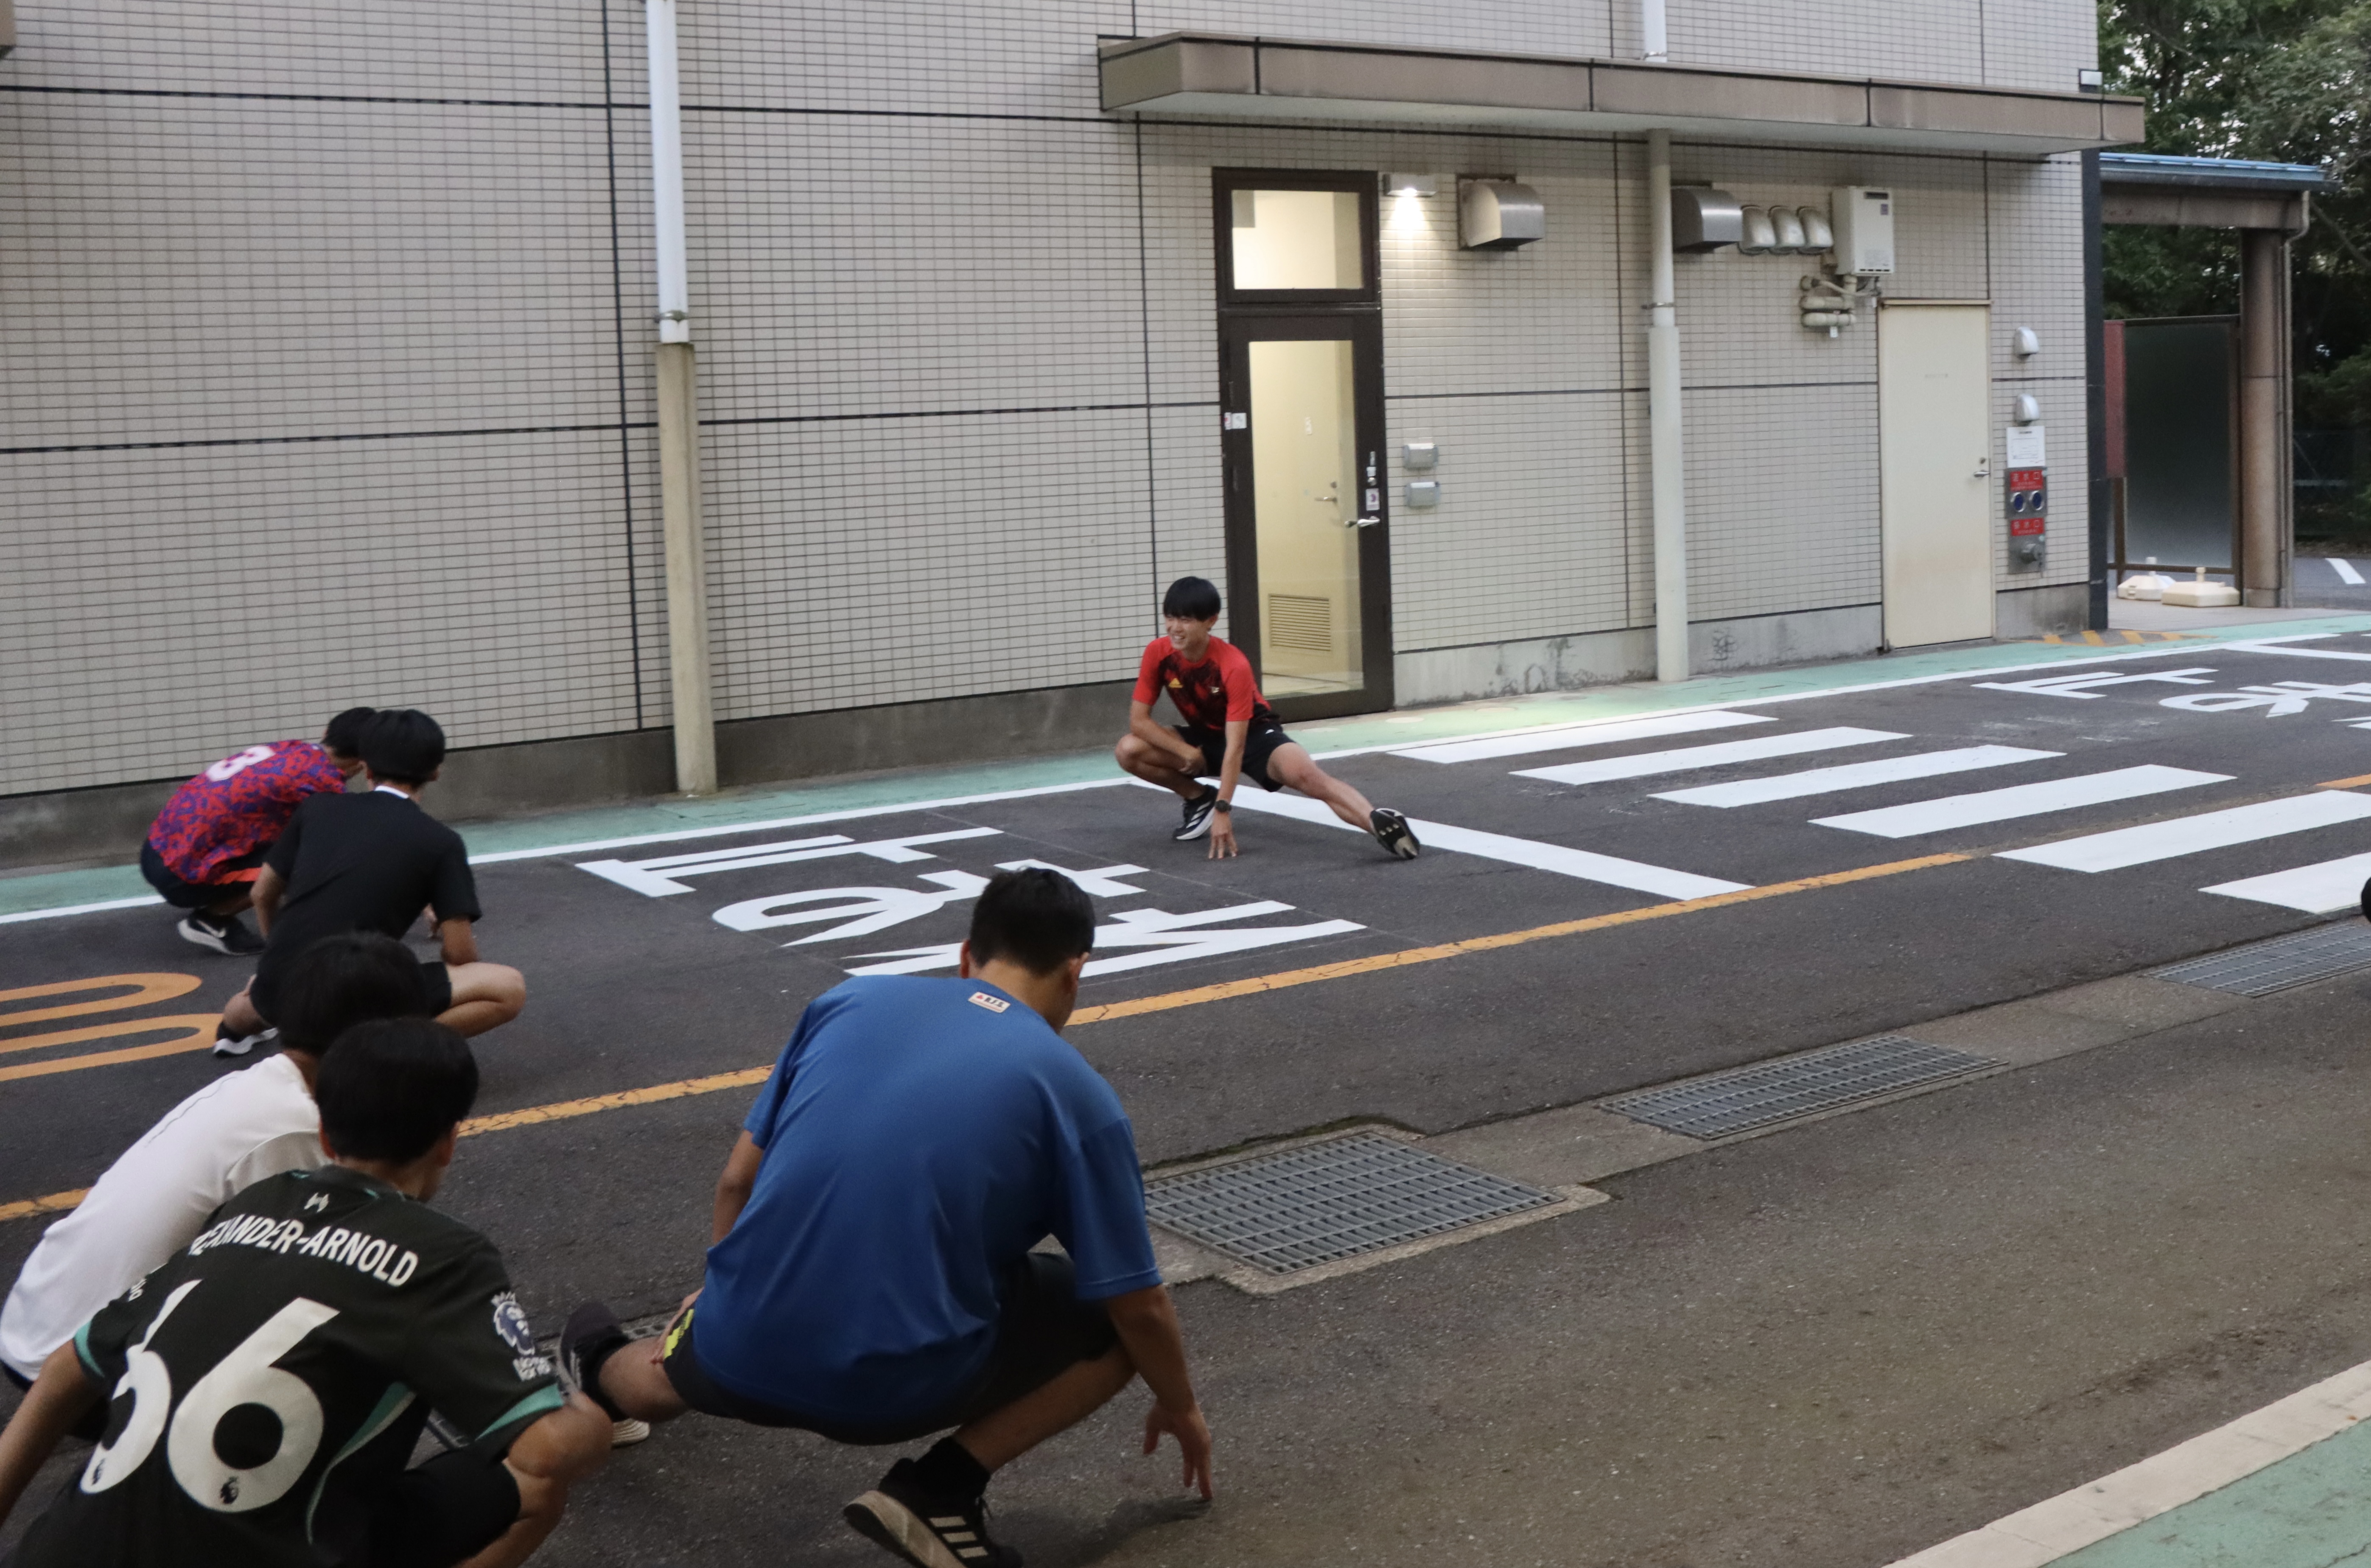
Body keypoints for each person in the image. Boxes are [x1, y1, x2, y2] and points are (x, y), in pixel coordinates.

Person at [560, 869, 1212, 1568]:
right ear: (1075, 970)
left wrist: (722, 1284)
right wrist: (1181, 1407)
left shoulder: (847, 999)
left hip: (739, 1344)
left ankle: (593, 1367)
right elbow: (1137, 1302)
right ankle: (940, 1489)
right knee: (1107, 1321)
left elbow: (736, 1180)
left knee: (670, 1369)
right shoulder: (1075, 1093)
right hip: (895, 1389)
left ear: (965, 955)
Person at [0, 1019, 612, 1568]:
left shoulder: (250, 1206)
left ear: (322, 1127)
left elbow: (65, 1369)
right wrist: (591, 1416)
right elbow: (547, 1449)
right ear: (449, 1140)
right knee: (533, 1489)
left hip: (60, 1550)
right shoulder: (443, 1254)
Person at [0, 933, 433, 1408]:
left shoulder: (259, 1087)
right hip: (80, 1366)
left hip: (37, 1319)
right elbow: (325, 1268)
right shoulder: (297, 1129)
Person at [216, 708, 523, 1057]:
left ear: (366, 767)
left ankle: (233, 1030)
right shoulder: (441, 842)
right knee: (507, 988)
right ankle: (370, 1053)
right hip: (350, 996)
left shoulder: (317, 809)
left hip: (278, 988)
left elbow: (261, 892)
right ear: (436, 772)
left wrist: (277, 952)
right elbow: (461, 954)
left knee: (255, 998)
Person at [1114, 575, 1420, 862]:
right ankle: (1198, 798)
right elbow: (1139, 722)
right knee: (1129, 750)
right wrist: (1186, 752)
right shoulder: (1158, 653)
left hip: (1256, 735)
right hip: (1204, 736)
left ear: (1210, 622)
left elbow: (1236, 747)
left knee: (1308, 778)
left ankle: (1377, 822)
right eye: (1170, 618)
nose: (1174, 628)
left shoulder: (1233, 664)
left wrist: (1224, 810)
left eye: (1185, 620)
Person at [141, 708, 376, 956]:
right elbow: (357, 840)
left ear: (326, 732)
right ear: (365, 760)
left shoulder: (290, 748)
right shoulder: (323, 782)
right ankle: (212, 920)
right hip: (177, 877)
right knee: (307, 861)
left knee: (297, 837)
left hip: (154, 847)